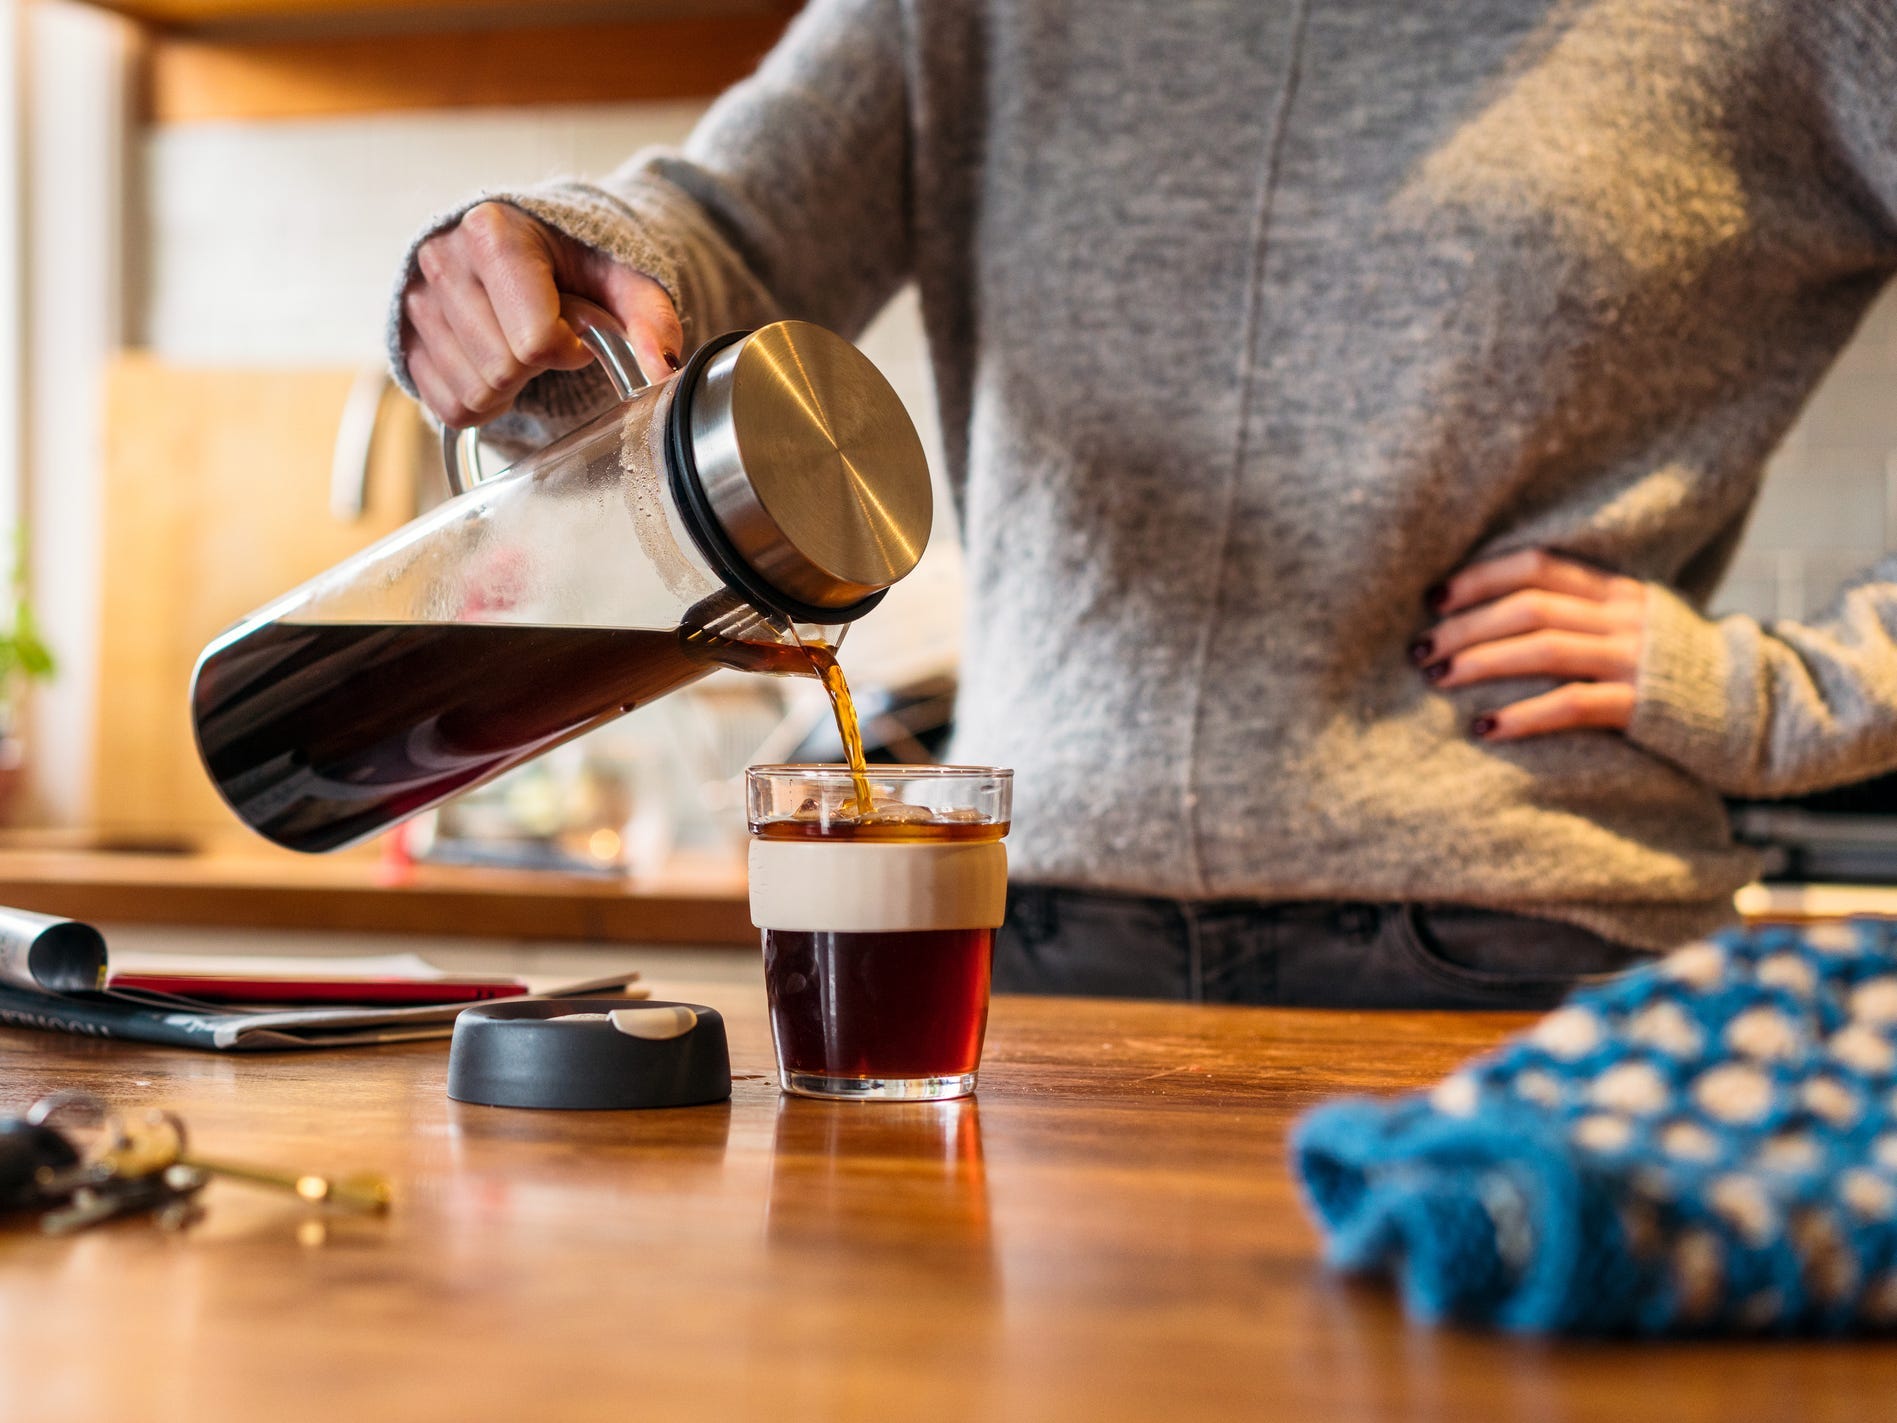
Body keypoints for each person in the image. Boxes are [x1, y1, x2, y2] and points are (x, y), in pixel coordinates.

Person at [389, 1, 1897, 1008]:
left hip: (1520, 953)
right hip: (1024, 940)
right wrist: (556, 272)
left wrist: (1776, 695)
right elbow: (712, 236)